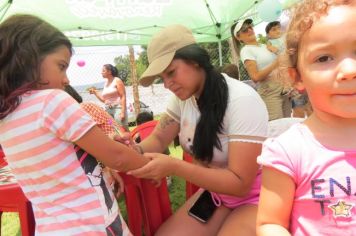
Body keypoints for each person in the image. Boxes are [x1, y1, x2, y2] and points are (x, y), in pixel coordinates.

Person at [0, 14, 150, 235]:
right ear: (27, 58)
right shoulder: (52, 100)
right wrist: (149, 165)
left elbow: (58, 157)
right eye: (61, 66)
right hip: (91, 225)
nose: (67, 79)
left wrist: (104, 158)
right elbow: (117, 156)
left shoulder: (7, 117)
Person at [122, 24, 269, 236]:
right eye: (162, 78)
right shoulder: (183, 99)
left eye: (171, 72)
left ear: (195, 60)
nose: (167, 84)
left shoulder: (242, 100)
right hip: (216, 193)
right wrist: (133, 149)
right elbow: (158, 140)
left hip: (256, 195)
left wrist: (174, 167)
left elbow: (240, 184)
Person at [257, 1, 356, 235]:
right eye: (324, 58)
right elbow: (270, 223)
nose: (350, 69)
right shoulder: (288, 150)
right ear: (298, 77)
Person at [231, 19, 287, 121]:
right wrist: (276, 63)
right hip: (270, 91)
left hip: (283, 87)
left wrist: (278, 52)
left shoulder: (265, 46)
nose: (249, 30)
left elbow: (283, 60)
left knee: (287, 124)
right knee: (277, 127)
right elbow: (255, 77)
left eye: (250, 26)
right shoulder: (246, 50)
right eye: (244, 30)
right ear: (238, 37)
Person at [89, 64, 128, 130]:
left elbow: (123, 96)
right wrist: (95, 92)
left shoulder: (117, 80)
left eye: (103, 71)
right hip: (108, 111)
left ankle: (132, 140)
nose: (101, 72)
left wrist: (123, 112)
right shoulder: (106, 83)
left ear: (109, 72)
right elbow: (104, 100)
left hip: (118, 109)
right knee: (113, 130)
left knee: (123, 130)